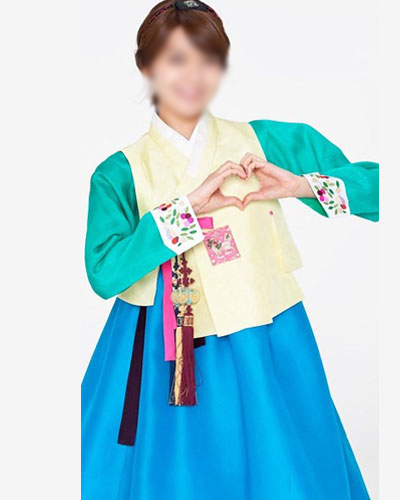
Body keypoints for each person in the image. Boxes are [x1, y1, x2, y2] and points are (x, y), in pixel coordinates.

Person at [82, 1, 378, 499]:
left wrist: (301, 186)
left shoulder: (262, 141)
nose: (194, 75)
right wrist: (184, 211)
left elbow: (377, 190)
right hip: (166, 347)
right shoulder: (121, 172)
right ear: (146, 65)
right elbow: (104, 271)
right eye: (177, 59)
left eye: (208, 59)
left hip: (267, 330)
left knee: (286, 468)